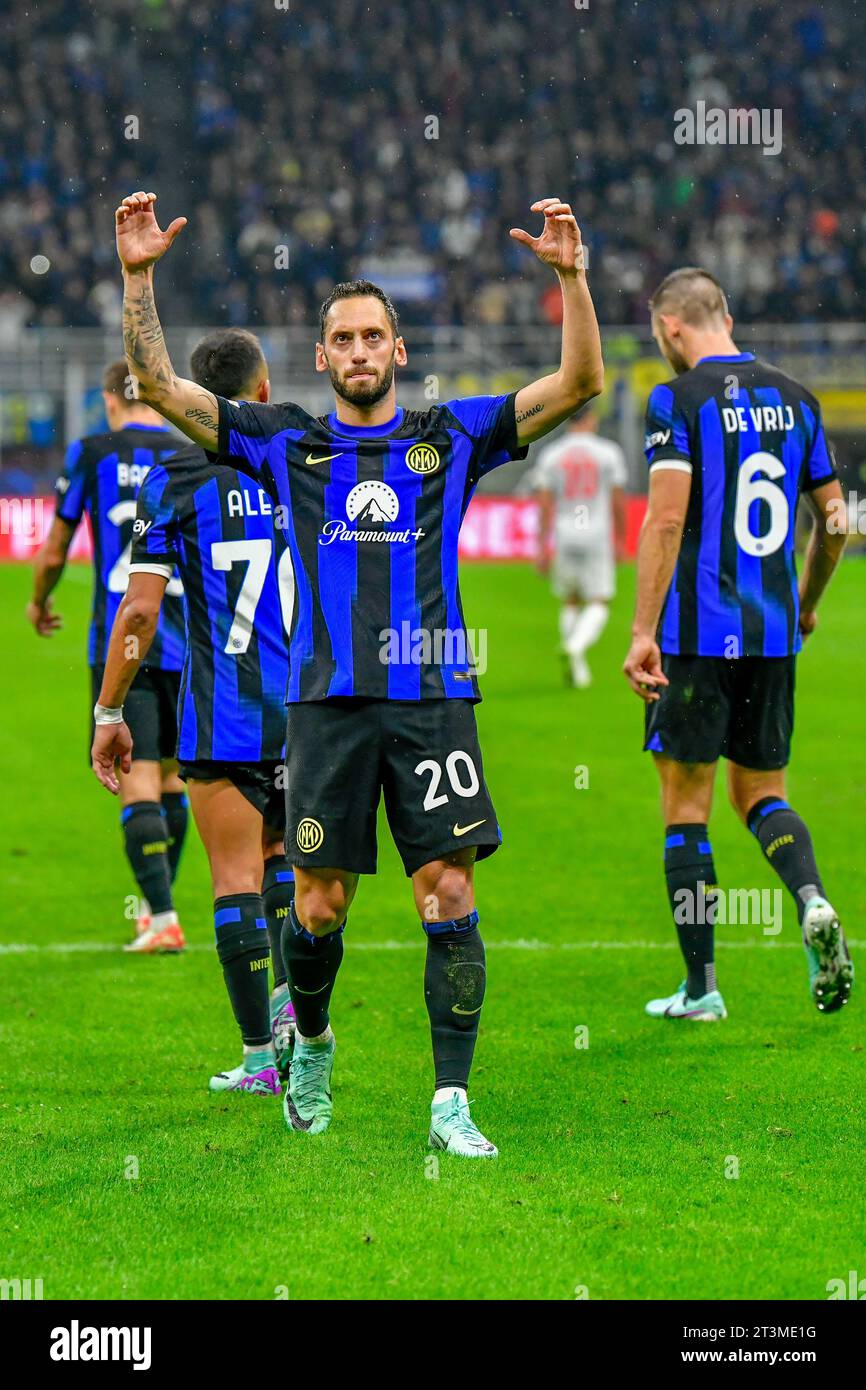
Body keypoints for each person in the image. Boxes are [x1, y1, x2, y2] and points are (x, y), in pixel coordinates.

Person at [114, 189, 603, 1156]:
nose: (361, 350)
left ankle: (450, 1104)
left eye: (375, 335)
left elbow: (579, 383)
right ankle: (315, 1042)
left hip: (431, 702)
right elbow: (162, 386)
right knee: (317, 904)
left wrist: (573, 281)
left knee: (449, 895)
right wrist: (139, 280)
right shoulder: (285, 439)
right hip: (326, 708)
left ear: (399, 350)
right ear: (325, 356)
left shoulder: (448, 438)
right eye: (344, 338)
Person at [622, 267, 851, 1020]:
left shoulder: (678, 400)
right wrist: (808, 605)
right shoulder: (798, 398)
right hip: (773, 636)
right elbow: (837, 523)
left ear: (673, 329)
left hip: (696, 637)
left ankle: (701, 988)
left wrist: (643, 631)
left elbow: (662, 522)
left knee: (686, 809)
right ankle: (811, 899)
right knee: (762, 795)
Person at [91, 329, 296, 1093]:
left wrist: (110, 707)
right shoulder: (301, 458)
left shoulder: (171, 479)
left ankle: (257, 1059)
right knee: (285, 867)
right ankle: (299, 1027)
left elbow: (140, 615)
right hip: (309, 709)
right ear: (263, 391)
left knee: (235, 881)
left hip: (225, 713)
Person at [28, 360, 188, 952]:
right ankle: (153, 910)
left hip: (122, 640)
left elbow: (54, 550)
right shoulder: (185, 450)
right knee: (173, 781)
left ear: (106, 398)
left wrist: (39, 602)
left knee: (137, 779)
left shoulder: (91, 452)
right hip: (189, 640)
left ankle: (163, 918)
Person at [534, 404, 627, 686]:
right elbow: (617, 500)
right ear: (591, 419)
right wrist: (620, 538)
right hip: (596, 532)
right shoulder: (608, 452)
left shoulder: (552, 454)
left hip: (565, 533)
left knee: (571, 599)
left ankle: (576, 663)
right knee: (599, 600)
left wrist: (542, 545)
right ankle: (576, 648)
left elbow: (545, 504)